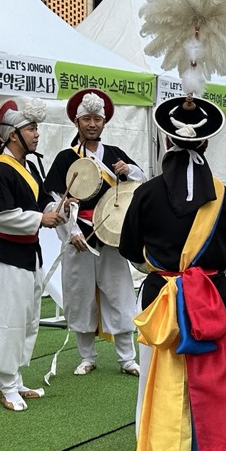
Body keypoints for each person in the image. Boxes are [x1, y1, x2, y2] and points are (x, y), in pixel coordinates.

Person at [120, 96, 226, 451]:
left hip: (159, 299)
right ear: (208, 144)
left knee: (154, 382)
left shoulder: (145, 193)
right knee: (208, 391)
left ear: (165, 139)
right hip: (210, 302)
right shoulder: (224, 197)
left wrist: (165, 269)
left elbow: (128, 248)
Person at [0, 98, 67, 411]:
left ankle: (16, 379)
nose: (37, 134)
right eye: (31, 128)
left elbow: (37, 204)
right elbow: (2, 217)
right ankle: (6, 385)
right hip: (5, 255)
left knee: (25, 319)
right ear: (13, 135)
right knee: (7, 320)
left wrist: (56, 209)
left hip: (27, 253)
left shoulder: (28, 167)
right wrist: (41, 218)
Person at [43, 89, 146, 377]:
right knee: (79, 295)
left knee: (119, 293)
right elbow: (52, 199)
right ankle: (86, 357)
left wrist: (130, 170)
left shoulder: (116, 156)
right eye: (86, 118)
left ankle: (127, 359)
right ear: (77, 122)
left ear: (104, 122)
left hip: (111, 236)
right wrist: (71, 230)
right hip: (79, 236)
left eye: (97, 119)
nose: (92, 124)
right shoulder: (66, 158)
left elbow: (139, 188)